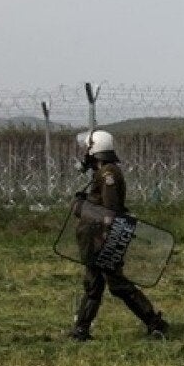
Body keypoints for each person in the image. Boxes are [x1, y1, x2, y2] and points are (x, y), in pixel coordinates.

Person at [69, 130, 170, 341]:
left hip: (104, 238)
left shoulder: (109, 174)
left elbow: (110, 211)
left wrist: (83, 208)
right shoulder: (102, 171)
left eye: (88, 148)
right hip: (97, 238)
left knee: (117, 285)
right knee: (94, 284)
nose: (85, 153)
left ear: (95, 149)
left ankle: (154, 323)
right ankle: (81, 330)